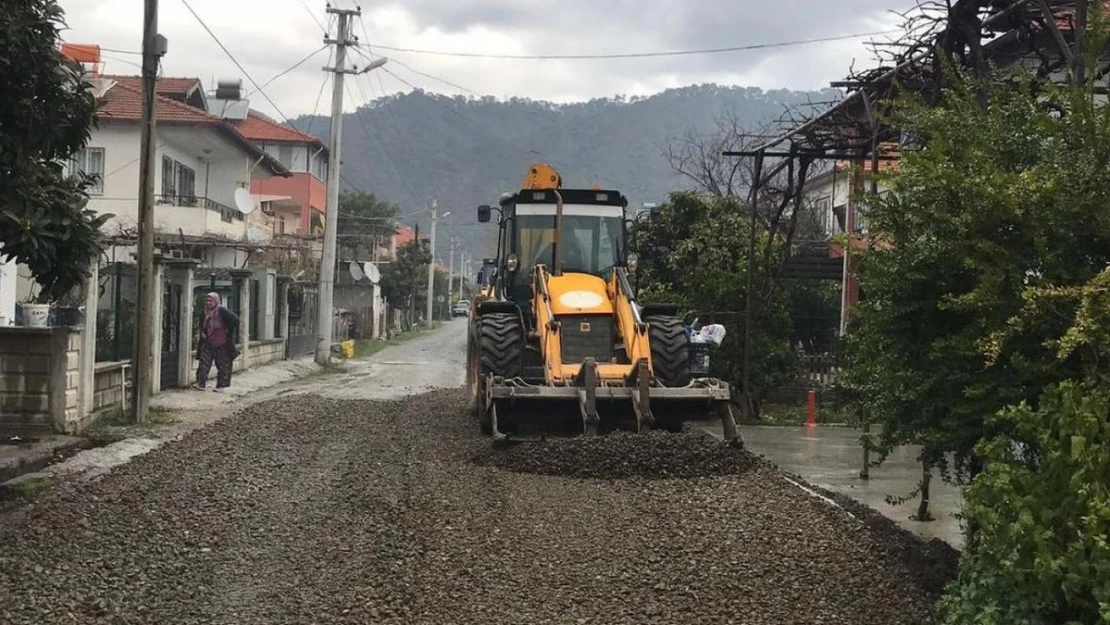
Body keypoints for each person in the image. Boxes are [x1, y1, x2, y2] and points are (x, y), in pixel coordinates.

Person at [193, 292, 239, 392]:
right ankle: (201, 383)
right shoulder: (204, 312)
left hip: (222, 343)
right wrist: (203, 333)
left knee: (223, 365)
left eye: (211, 301)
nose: (209, 303)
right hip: (208, 342)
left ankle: (221, 386)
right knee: (204, 363)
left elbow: (235, 319)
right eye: (207, 300)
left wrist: (228, 330)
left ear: (216, 301)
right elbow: (202, 325)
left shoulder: (222, 311)